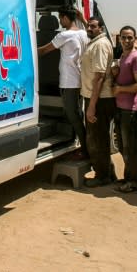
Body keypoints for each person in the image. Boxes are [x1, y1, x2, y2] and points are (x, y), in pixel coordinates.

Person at [38, 9, 89, 159]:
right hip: (79, 79)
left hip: (69, 82)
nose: (60, 22)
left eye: (60, 19)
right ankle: (85, 145)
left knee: (73, 115)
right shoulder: (84, 33)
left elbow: (44, 51)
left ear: (65, 18)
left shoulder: (64, 35)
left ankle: (86, 149)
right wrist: (84, 19)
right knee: (77, 114)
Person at [81, 15, 117, 187]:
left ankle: (102, 176)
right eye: (88, 25)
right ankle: (108, 173)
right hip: (96, 97)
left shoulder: (101, 45)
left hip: (100, 99)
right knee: (99, 137)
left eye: (93, 26)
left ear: (101, 28)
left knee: (97, 140)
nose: (89, 28)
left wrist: (92, 106)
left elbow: (100, 77)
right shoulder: (96, 42)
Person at [111, 26, 137, 193]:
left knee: (131, 147)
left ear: (135, 38)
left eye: (129, 38)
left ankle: (133, 182)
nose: (126, 41)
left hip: (131, 109)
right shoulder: (123, 56)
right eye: (124, 38)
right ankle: (128, 177)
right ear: (119, 39)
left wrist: (120, 89)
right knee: (123, 146)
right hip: (120, 108)